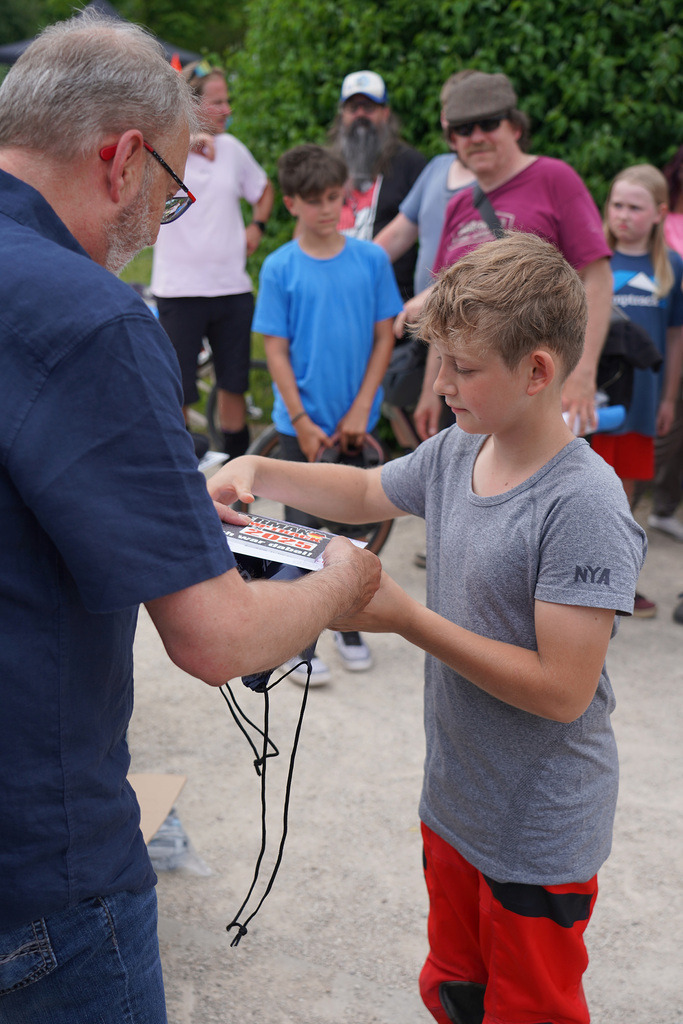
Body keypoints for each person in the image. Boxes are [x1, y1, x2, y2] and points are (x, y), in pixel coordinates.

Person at [0, 16, 380, 1022]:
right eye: (172, 193)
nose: (161, 219)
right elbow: (217, 638)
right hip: (38, 875)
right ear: (123, 158)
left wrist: (150, 505)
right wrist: (339, 580)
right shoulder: (89, 313)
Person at [208, 231, 646, 1024]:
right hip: (454, 803)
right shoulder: (458, 448)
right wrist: (258, 472)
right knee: (454, 989)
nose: (438, 383)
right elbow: (367, 488)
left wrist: (409, 620)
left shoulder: (581, 503)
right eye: (439, 360)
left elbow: (561, 692)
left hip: (537, 832)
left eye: (463, 368)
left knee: (529, 1010)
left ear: (537, 372)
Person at [252, 143, 402, 684]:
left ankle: (350, 623)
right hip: (302, 426)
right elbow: (275, 348)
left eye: (334, 198)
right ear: (290, 203)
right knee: (302, 531)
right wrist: (303, 420)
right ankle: (299, 638)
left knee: (355, 527)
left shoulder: (371, 260)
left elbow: (386, 334)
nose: (325, 209)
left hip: (357, 424)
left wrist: (364, 405)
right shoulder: (279, 267)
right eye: (313, 200)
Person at [400, 70, 613, 442]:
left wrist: (582, 374)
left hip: (536, 387)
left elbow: (596, 277)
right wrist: (429, 392)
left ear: (515, 127)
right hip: (469, 395)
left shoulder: (554, 177)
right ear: (452, 140)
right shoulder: (461, 203)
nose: (476, 137)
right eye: (464, 129)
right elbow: (448, 311)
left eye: (488, 123)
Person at [151, 60, 274, 460]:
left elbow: (264, 190)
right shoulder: (165, 149)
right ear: (194, 104)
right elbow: (141, 188)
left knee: (233, 386)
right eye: (218, 102)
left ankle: (238, 479)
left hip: (231, 289)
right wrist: (184, 144)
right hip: (179, 290)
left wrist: (256, 226)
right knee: (178, 390)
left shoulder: (234, 150)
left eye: (227, 101)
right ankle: (183, 477)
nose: (227, 110)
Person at [593, 164, 683, 618]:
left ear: (659, 214)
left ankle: (617, 581)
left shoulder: (673, 268)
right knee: (584, 484)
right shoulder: (593, 261)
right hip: (594, 401)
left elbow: (674, 338)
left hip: (642, 402)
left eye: (634, 207)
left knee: (624, 493)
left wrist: (668, 399)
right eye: (616, 204)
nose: (623, 215)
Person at [374, 70, 476, 297]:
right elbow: (397, 235)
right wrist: (347, 269)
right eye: (454, 110)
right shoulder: (437, 168)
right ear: (443, 117)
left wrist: (431, 297)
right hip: (428, 326)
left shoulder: (501, 181)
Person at [329, 69, 427, 300]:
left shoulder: (410, 164)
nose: (361, 114)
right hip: (333, 294)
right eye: (353, 108)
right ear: (342, 114)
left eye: (369, 107)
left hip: (392, 299)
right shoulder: (327, 165)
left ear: (386, 113)